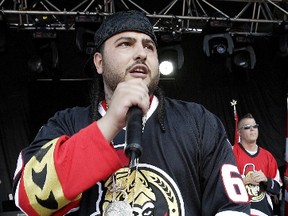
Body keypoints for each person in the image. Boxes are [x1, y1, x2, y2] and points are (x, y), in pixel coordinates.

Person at [12, 10, 250, 215]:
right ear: (99, 62)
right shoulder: (67, 124)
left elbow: (233, 208)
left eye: (149, 46)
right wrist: (108, 125)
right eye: (126, 43)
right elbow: (28, 200)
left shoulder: (198, 122)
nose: (141, 53)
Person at [233, 113, 282, 215]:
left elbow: (277, 188)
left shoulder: (268, 156)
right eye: (247, 127)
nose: (252, 129)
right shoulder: (230, 153)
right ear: (239, 132)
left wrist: (266, 180)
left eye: (255, 126)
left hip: (262, 212)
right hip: (238, 211)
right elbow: (219, 185)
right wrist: (244, 181)